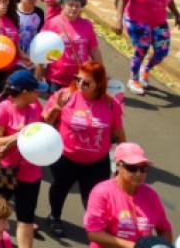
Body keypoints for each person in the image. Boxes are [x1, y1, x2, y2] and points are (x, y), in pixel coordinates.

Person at [43, 61, 126, 238]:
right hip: (66, 158)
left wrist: (124, 159)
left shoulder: (111, 104)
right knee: (59, 189)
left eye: (86, 82)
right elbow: (45, 122)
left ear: (99, 84)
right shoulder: (65, 95)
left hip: (97, 163)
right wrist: (56, 108)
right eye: (78, 79)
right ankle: (54, 216)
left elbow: (118, 133)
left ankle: (95, 229)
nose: (80, 84)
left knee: (94, 198)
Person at [0, 70, 48, 248]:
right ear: (24, 92)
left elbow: (41, 128)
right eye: (36, 90)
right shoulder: (2, 110)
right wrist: (21, 135)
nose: (39, 93)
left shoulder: (35, 105)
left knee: (26, 218)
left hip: (31, 172)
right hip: (5, 171)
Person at [116, 0, 180, 95]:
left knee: (162, 51)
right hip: (137, 20)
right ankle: (133, 79)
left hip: (158, 21)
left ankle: (145, 69)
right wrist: (118, 20)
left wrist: (177, 14)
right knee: (142, 49)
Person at [84, 143, 173, 248]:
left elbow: (164, 229)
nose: (139, 174)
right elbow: (94, 233)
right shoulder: (101, 193)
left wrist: (162, 245)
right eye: (132, 168)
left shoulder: (150, 195)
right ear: (118, 166)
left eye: (143, 168)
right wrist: (135, 246)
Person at [42, 0, 102, 89]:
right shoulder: (52, 24)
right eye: (70, 5)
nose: (74, 8)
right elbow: (42, 50)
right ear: (62, 5)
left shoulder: (87, 25)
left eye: (77, 6)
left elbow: (94, 51)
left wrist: (101, 73)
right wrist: (39, 74)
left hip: (81, 79)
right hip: (56, 79)